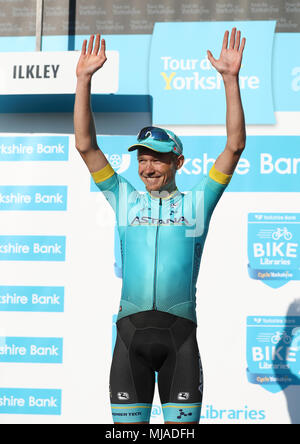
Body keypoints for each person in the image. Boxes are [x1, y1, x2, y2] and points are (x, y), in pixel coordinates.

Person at [74, 28, 246, 424]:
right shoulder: (124, 198)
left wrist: (230, 81)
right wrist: (83, 81)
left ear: (178, 163)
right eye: (142, 159)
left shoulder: (198, 203)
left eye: (158, 159)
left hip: (179, 339)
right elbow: (86, 145)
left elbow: (234, 146)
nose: (148, 167)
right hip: (129, 337)